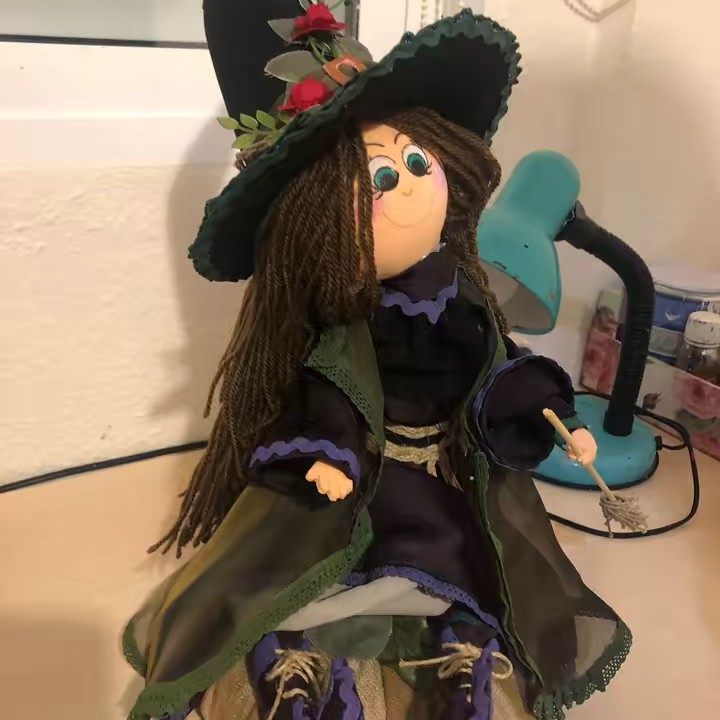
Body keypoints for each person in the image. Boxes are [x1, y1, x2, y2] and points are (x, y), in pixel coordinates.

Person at [123, 5, 630, 720]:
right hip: (364, 471)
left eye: (416, 162)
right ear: (316, 222)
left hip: (442, 474)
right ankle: (303, 664)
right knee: (313, 566)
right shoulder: (345, 322)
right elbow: (328, 390)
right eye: (374, 181)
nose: (406, 187)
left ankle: (457, 658)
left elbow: (495, 368)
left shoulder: (462, 296)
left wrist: (558, 417)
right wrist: (331, 453)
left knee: (468, 558)